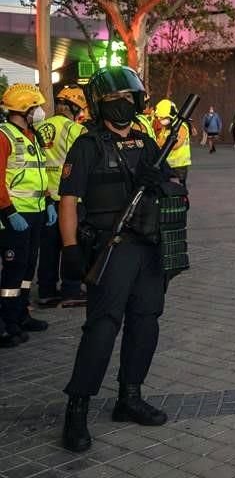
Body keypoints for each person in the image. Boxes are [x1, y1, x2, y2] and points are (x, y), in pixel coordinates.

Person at [59, 66, 176, 452]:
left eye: (129, 97)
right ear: (99, 105)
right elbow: (69, 201)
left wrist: (162, 182)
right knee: (102, 328)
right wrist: (70, 249)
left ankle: (130, 397)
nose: (124, 104)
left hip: (148, 248)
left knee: (146, 322)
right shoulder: (87, 145)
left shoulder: (146, 142)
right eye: (115, 99)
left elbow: (173, 185)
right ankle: (77, 408)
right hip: (111, 248)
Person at [0, 84, 57, 347]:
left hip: (35, 212)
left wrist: (48, 202)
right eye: (36, 107)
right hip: (15, 215)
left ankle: (21, 315)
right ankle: (6, 323)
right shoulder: (4, 136)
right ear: (24, 109)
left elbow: (39, 173)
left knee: (27, 270)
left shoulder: (31, 136)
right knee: (13, 271)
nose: (40, 112)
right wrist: (9, 212)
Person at [36, 85, 89, 309]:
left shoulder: (39, 127)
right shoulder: (76, 130)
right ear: (75, 107)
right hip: (70, 197)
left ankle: (46, 291)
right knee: (71, 243)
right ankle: (71, 289)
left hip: (44, 197)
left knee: (48, 248)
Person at [154, 99, 191, 185]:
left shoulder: (181, 127)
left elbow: (176, 144)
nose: (159, 120)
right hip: (167, 164)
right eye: (158, 117)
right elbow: (159, 140)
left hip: (179, 165)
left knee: (179, 188)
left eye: (162, 118)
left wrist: (159, 143)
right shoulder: (166, 127)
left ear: (171, 116)